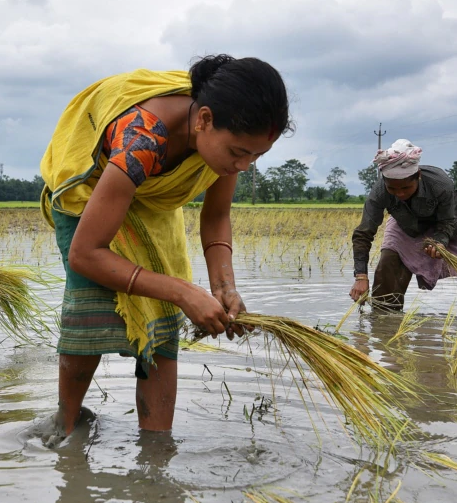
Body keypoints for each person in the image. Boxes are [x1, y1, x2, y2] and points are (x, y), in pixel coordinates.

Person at [40, 55, 290, 440]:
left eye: (256, 156)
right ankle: (65, 422)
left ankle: (156, 449)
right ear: (204, 120)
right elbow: (85, 253)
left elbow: (215, 216)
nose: (245, 165)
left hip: (152, 200)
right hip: (92, 194)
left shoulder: (220, 151)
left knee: (162, 326)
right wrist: (184, 291)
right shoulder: (144, 137)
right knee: (89, 306)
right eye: (239, 152)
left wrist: (224, 286)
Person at [349, 139, 457, 313]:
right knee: (388, 265)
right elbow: (364, 233)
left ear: (419, 176)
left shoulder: (440, 183)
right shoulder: (379, 192)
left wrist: (440, 241)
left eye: (406, 188)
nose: (399, 194)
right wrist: (361, 276)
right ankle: (384, 325)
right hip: (406, 224)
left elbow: (448, 221)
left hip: (451, 222)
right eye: (392, 189)